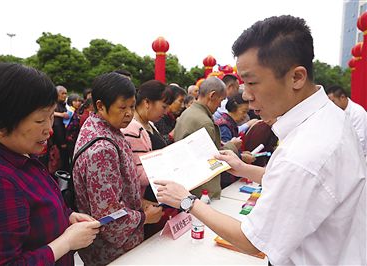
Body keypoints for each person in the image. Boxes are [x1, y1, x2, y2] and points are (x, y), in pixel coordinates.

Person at [155, 15, 366, 265]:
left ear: (296, 77)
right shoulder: (330, 117)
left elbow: (251, 240)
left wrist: (186, 200)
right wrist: (244, 168)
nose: (246, 94)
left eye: (252, 82)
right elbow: (298, 183)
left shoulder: (305, 153)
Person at [0, 63, 100, 265]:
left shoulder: (18, 149)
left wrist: (68, 216)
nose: (49, 129)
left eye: (51, 117)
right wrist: (65, 242)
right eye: (40, 121)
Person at [73, 72, 162, 265]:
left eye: (131, 106)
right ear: (100, 106)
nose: (129, 113)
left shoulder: (99, 127)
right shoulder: (102, 149)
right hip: (112, 251)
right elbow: (109, 217)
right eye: (122, 107)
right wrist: (144, 217)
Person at [122, 79, 177, 238]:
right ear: (147, 102)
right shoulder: (133, 128)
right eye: (164, 106)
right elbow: (137, 173)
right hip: (145, 204)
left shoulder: (149, 124)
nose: (166, 112)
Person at [173, 76, 239, 199]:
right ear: (212, 95)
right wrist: (232, 146)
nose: (219, 106)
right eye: (220, 100)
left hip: (188, 183)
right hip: (202, 190)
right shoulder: (204, 121)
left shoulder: (188, 112)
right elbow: (210, 159)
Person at [327, 85, 367, 156]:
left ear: (342, 97)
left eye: (333, 101)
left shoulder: (358, 113)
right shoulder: (335, 112)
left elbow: (361, 142)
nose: (331, 105)